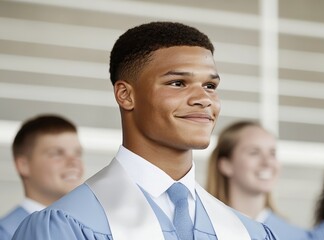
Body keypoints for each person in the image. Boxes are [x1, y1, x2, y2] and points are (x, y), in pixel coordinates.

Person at [12, 21, 277, 240]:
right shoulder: (65, 227)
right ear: (126, 95)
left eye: (210, 86)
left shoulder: (248, 232)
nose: (203, 99)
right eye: (178, 83)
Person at [206, 121, 310, 239]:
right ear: (226, 165)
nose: (267, 162)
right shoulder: (201, 230)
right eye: (254, 153)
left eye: (272, 153)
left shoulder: (299, 236)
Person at [0, 114, 84, 240]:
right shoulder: (6, 234)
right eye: (57, 154)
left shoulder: (86, 229)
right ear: (23, 165)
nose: (74, 162)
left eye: (77, 153)